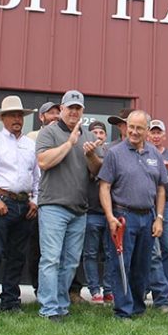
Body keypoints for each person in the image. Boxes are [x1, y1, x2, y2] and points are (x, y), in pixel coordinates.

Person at [35, 90, 102, 322]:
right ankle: (48, 308)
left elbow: (96, 170)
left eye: (78, 108)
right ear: (62, 108)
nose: (74, 112)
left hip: (79, 208)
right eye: (70, 107)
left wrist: (91, 156)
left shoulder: (87, 136)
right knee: (51, 259)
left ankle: (61, 305)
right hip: (53, 205)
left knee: (71, 262)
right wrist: (69, 144)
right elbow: (43, 162)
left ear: (82, 111)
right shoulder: (48, 132)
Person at [99, 111, 168, 319]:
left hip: (148, 216)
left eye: (139, 128)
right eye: (131, 127)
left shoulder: (155, 154)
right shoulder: (114, 153)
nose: (134, 132)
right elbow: (104, 187)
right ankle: (123, 310)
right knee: (121, 264)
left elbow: (161, 189)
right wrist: (110, 216)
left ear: (147, 130)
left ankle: (138, 306)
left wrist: (159, 218)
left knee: (142, 265)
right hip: (123, 216)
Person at [0, 96, 41, 315]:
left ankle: (10, 301)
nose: (17, 119)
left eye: (19, 116)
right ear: (3, 118)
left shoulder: (30, 145)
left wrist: (35, 201)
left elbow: (37, 177)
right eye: (12, 115)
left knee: (17, 255)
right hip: (1, 201)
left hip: (24, 204)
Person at [25, 101, 62, 292]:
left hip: (59, 198)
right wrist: (33, 199)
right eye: (50, 113)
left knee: (60, 250)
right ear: (41, 117)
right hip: (38, 200)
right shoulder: (31, 138)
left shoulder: (66, 137)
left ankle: (60, 289)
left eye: (57, 112)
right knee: (37, 248)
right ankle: (38, 287)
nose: (55, 116)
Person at [146, 119, 168, 304]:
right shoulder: (144, 152)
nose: (156, 136)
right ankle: (145, 287)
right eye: (153, 132)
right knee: (147, 248)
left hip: (167, 204)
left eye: (159, 132)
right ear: (148, 135)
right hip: (146, 204)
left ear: (164, 136)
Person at [82, 120, 114, 304]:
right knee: (90, 253)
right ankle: (95, 290)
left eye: (101, 133)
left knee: (110, 253)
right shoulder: (84, 153)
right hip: (90, 211)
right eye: (95, 133)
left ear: (106, 136)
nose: (98, 136)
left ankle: (109, 289)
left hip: (109, 212)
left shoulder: (112, 154)